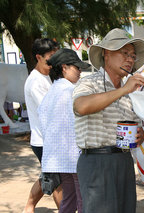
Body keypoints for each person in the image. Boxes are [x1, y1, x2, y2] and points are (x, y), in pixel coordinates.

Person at [72, 28, 144, 212]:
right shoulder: (89, 82)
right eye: (124, 53)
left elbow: (137, 129)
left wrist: (141, 136)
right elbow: (80, 107)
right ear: (106, 54)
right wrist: (123, 90)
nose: (130, 59)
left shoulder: (130, 92)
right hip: (96, 162)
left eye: (133, 55)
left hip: (123, 161)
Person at [38, 48, 90, 213]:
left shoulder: (51, 92)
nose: (80, 71)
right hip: (74, 157)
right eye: (77, 67)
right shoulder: (71, 92)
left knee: (69, 198)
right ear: (64, 68)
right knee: (83, 200)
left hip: (58, 159)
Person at [23, 38, 62, 213]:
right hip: (44, 141)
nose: (55, 61)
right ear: (38, 57)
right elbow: (50, 110)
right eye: (51, 56)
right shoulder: (36, 82)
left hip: (52, 138)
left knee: (48, 176)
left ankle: (29, 207)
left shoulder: (49, 76)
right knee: (58, 181)